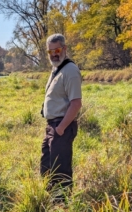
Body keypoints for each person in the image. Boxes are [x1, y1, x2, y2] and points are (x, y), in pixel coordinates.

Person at [40, 33, 82, 201]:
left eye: (57, 50)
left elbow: (76, 104)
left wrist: (61, 128)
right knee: (46, 166)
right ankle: (49, 200)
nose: (54, 54)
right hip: (52, 125)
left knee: (60, 170)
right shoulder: (57, 69)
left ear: (64, 48)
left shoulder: (70, 70)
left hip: (62, 125)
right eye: (50, 51)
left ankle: (62, 207)